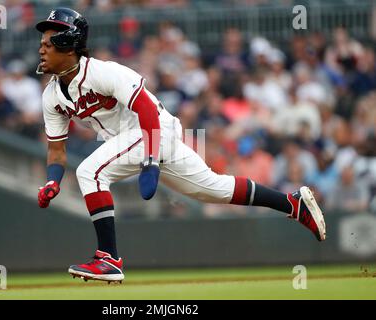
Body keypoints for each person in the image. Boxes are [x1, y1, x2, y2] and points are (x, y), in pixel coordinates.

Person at [35, 8, 326, 284]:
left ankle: (108, 258)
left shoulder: (102, 72)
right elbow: (56, 151)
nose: (41, 48)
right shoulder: (52, 96)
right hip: (135, 140)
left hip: (153, 129)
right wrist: (52, 180)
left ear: (68, 43)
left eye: (49, 42)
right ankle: (292, 203)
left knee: (90, 172)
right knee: (213, 189)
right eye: (42, 42)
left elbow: (146, 110)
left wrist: (150, 160)